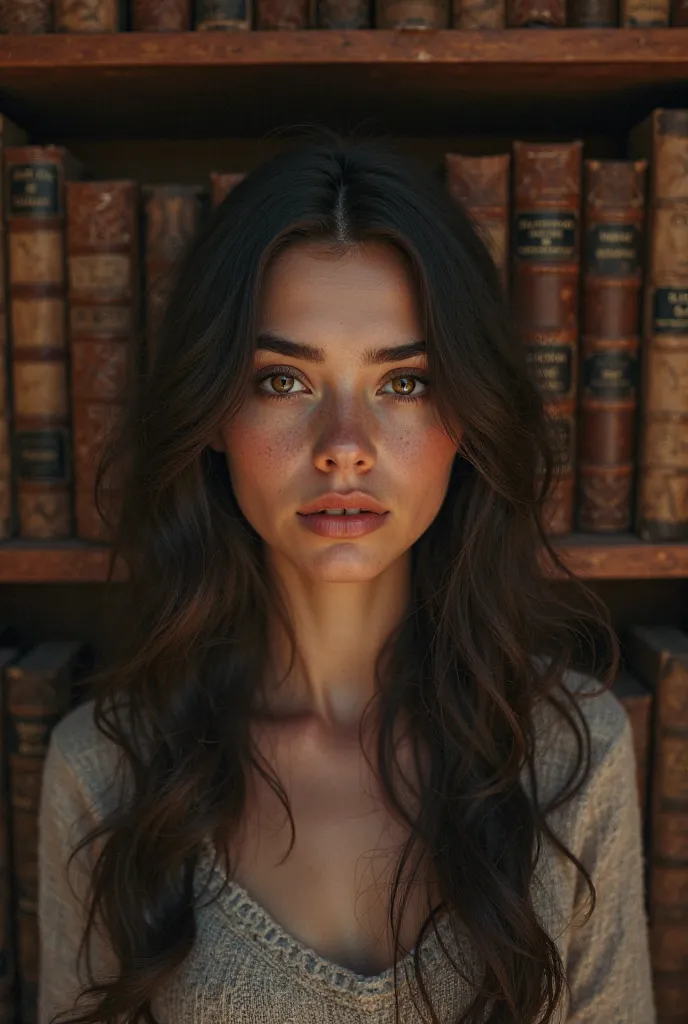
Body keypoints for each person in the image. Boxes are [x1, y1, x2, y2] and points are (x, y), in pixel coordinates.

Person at [37, 128, 656, 1024]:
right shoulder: (104, 771)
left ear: (468, 418)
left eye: (403, 384)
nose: (344, 449)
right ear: (211, 413)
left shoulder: (572, 761)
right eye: (283, 381)